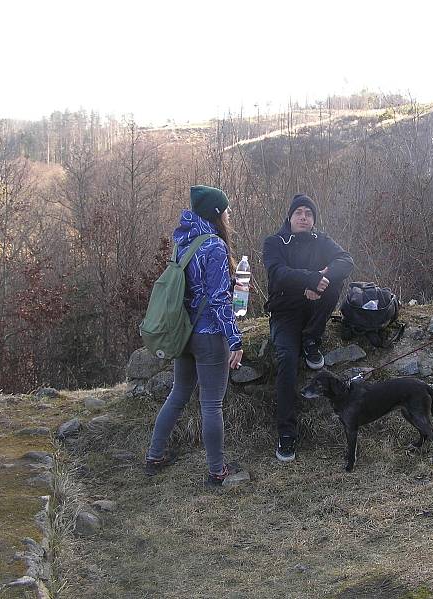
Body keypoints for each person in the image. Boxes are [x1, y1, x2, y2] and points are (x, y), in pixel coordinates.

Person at [145, 185, 244, 486]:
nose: (228, 215)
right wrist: (235, 339)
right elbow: (217, 300)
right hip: (209, 336)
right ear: (216, 213)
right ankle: (217, 471)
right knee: (211, 404)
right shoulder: (213, 246)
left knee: (178, 393)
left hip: (183, 333)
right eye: (226, 210)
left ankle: (155, 455)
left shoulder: (183, 241)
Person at [263, 193, 354, 463]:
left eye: (309, 214)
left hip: (314, 312)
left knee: (335, 281)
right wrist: (309, 281)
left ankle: (312, 340)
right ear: (289, 217)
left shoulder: (321, 240)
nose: (304, 217)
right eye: (299, 212)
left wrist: (322, 279)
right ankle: (287, 433)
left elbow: (346, 260)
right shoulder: (274, 242)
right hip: (285, 313)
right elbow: (277, 274)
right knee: (287, 361)